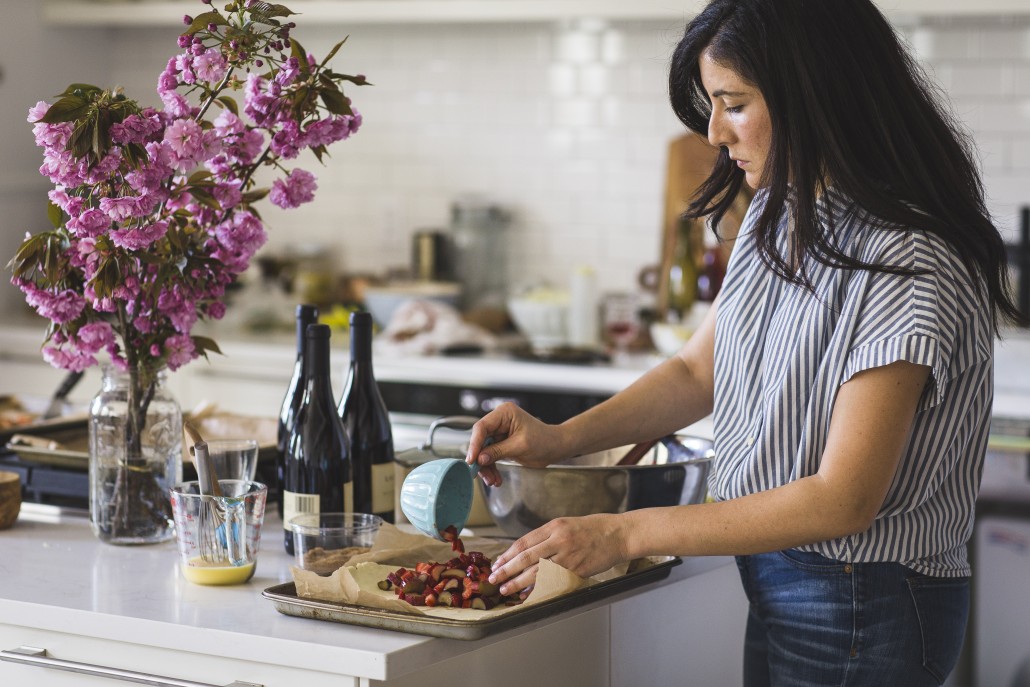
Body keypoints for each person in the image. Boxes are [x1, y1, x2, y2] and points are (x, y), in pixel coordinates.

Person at [465, 1, 1025, 685]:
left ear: (812, 96)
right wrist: (561, 439)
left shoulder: (907, 259)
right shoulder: (780, 208)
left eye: (733, 104)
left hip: (867, 598)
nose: (712, 130)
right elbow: (697, 368)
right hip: (784, 572)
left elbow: (843, 498)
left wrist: (627, 530)